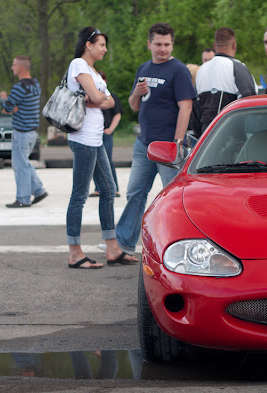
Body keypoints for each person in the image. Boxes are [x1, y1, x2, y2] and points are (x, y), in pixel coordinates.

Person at [115, 22, 195, 254]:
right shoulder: (144, 68)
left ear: (172, 44)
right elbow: (133, 106)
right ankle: (125, 244)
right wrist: (136, 94)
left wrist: (177, 143)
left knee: (172, 198)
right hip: (144, 145)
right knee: (135, 193)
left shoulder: (179, 70)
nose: (163, 49)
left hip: (168, 146)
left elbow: (186, 107)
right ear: (149, 44)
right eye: (158, 44)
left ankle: (178, 245)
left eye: (167, 44)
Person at [65, 26, 139, 269]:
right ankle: (74, 252)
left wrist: (99, 98)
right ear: (89, 44)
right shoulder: (78, 65)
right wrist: (98, 98)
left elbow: (110, 101)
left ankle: (112, 248)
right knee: (80, 194)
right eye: (102, 45)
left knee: (108, 190)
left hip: (96, 140)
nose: (105, 49)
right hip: (83, 139)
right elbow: (99, 99)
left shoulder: (92, 71)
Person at [2, 55, 48, 208]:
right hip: (32, 132)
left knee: (20, 166)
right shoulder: (36, 84)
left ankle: (23, 199)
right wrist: (15, 107)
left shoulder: (19, 88)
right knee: (25, 163)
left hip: (21, 131)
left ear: (20, 67)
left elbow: (7, 107)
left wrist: (13, 108)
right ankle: (39, 190)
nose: (12, 67)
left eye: (14, 64)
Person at [196, 27, 257, 132]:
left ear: (215, 46)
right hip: (231, 136)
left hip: (206, 137)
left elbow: (194, 108)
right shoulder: (237, 67)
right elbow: (250, 99)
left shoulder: (201, 70)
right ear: (234, 45)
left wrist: (199, 135)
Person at [90, 70, 122, 198]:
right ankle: (98, 187)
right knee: (93, 161)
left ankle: (114, 188)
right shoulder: (91, 96)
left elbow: (117, 114)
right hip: (93, 133)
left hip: (105, 133)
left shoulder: (111, 96)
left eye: (103, 79)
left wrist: (110, 129)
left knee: (107, 160)